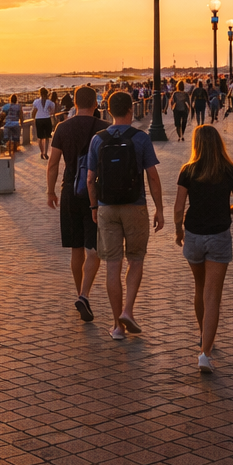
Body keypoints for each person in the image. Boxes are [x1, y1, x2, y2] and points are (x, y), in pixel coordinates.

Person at [86, 90, 164, 339]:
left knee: (112, 265)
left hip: (107, 207)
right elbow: (152, 176)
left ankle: (117, 326)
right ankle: (128, 310)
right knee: (136, 259)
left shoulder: (97, 139)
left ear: (108, 111)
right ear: (131, 109)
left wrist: (94, 207)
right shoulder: (140, 138)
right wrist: (159, 209)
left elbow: (89, 180)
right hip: (135, 206)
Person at [173, 124, 233, 374]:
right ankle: (205, 352)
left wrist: (178, 231)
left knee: (199, 287)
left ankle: (202, 333)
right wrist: (223, 209)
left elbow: (178, 207)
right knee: (213, 295)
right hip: (218, 236)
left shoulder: (188, 170)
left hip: (193, 235)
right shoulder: (230, 170)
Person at [46, 86, 108, 322]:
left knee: (76, 248)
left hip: (70, 191)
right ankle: (84, 294)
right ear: (95, 104)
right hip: (96, 193)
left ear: (74, 103)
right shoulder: (104, 128)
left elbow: (52, 163)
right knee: (94, 248)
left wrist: (50, 191)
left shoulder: (63, 128)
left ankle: (79, 292)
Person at [32, 87, 56, 161]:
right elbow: (52, 110)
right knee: (47, 137)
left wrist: (33, 119)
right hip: (46, 118)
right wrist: (49, 112)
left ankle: (41, 152)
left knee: (40, 137)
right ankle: (45, 152)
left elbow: (34, 111)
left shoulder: (36, 102)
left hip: (39, 119)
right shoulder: (49, 102)